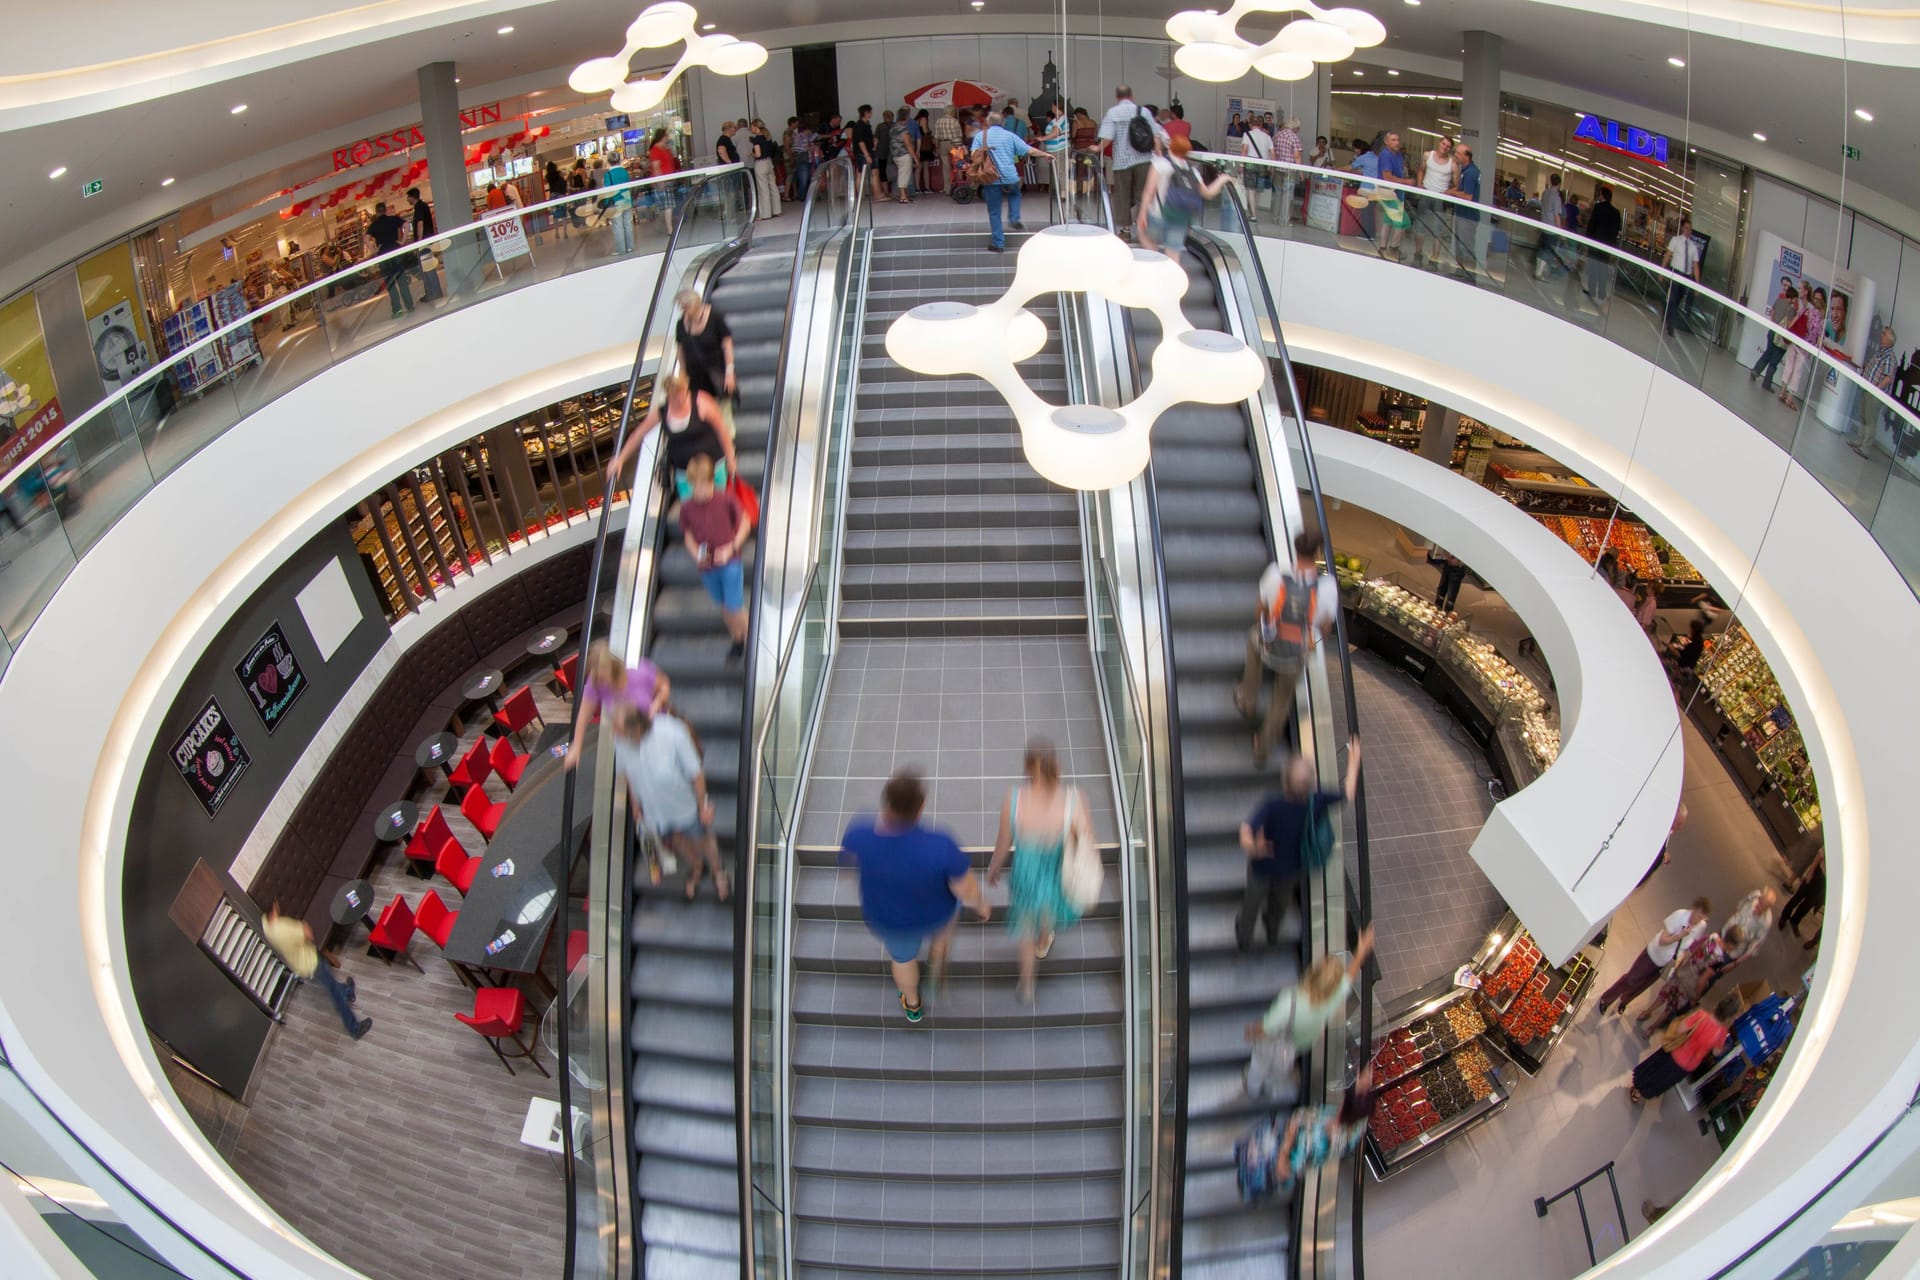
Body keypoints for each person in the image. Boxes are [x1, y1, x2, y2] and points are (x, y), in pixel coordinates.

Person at [840, 770, 990, 1022]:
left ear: (886, 803)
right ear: (920, 809)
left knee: (903, 959)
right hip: (936, 915)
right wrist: (981, 904)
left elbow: (848, 870)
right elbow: (964, 888)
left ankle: (912, 1003)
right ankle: (937, 959)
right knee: (946, 925)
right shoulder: (940, 844)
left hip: (889, 919)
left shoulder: (859, 834)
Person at [986, 739, 1093, 1003]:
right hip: (1056, 871)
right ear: (1057, 766)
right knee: (1047, 912)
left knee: (1025, 929)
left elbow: (1004, 840)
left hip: (1026, 874)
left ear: (1027, 768)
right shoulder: (1074, 799)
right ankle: (1044, 941)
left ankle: (1026, 984)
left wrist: (995, 866)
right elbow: (1085, 838)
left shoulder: (1014, 798)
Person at [1236, 738, 1361, 950]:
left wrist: (1253, 847)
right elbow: (1348, 794)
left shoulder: (1272, 804)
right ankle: (1272, 928)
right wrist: (1354, 762)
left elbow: (1246, 829)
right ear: (1311, 783)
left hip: (1263, 866)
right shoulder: (1318, 800)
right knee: (1281, 900)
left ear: (1285, 781)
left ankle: (1244, 937)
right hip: (1293, 867)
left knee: (1252, 902)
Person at [1235, 530, 1339, 765]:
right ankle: (1262, 748)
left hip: (1267, 646)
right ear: (1318, 553)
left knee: (1253, 639)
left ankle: (1248, 699)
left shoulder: (1275, 575)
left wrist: (1269, 628)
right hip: (1294, 656)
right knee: (1281, 700)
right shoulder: (1328, 588)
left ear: (1295, 549)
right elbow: (1325, 628)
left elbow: (1258, 612)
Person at [612, 704, 727, 901]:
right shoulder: (621, 741)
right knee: (677, 840)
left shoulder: (672, 732)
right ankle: (697, 867)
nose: (616, 735)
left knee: (703, 839)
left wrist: (703, 805)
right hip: (656, 813)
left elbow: (696, 773)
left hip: (685, 807)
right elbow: (628, 774)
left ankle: (718, 871)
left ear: (636, 730)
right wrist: (635, 803)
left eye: (620, 731)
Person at [1245, 925, 1374, 1097]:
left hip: (1273, 1045)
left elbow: (1267, 1028)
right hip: (1295, 1046)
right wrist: (1362, 950)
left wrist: (1251, 1030)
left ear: (1313, 973)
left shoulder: (1289, 1001)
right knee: (1278, 1068)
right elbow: (1350, 976)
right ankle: (1270, 1083)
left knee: (1258, 1067)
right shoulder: (1334, 997)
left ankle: (1253, 1089)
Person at [1237, 1066, 1376, 1202]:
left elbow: (1284, 1169)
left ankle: (1248, 1178)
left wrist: (1287, 1141)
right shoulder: (1354, 1125)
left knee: (1258, 1155)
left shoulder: (1323, 1138)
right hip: (1281, 1143)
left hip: (1277, 1158)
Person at [607, 372, 738, 503]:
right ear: (669, 395)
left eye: (683, 394)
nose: (681, 399)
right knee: (693, 511)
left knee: (719, 505)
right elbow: (639, 433)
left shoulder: (701, 402)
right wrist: (621, 458)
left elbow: (721, 430)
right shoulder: (663, 411)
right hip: (686, 473)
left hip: (712, 467)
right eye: (676, 396)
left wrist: (731, 458)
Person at [677, 455, 751, 659]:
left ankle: (754, 642)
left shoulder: (725, 499)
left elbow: (744, 523)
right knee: (724, 607)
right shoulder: (687, 508)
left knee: (734, 606)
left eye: (705, 484)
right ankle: (737, 638)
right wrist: (696, 555)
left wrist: (731, 547)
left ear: (711, 481)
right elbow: (689, 536)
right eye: (696, 485)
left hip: (730, 562)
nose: (701, 490)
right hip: (708, 567)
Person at [264, 905, 370, 1039]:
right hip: (312, 963)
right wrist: (303, 926)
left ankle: (347, 991)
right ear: (273, 911)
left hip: (300, 966)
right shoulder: (283, 928)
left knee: (331, 983)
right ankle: (354, 1028)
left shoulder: (267, 928)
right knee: (335, 994)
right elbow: (308, 934)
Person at [564, 640, 671, 770]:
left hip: (655, 730)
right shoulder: (596, 682)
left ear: (614, 667)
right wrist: (576, 747)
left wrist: (657, 703)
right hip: (629, 739)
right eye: (598, 677)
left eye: (604, 677)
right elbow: (584, 713)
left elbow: (664, 685)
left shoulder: (639, 671)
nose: (602, 682)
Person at [1596, 897, 1710, 1016]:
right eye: (1698, 915)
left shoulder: (1701, 926)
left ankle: (1625, 1000)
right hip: (1654, 954)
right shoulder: (1679, 916)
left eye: (1702, 918)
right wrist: (1680, 936)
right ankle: (1607, 998)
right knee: (1631, 979)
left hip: (1666, 962)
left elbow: (1689, 946)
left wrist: (1680, 959)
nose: (1699, 920)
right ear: (1693, 909)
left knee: (1643, 985)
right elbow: (1662, 941)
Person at [969, 108, 1048, 253]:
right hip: (1010, 176)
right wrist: (1045, 154)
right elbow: (1028, 149)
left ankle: (998, 244)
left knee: (994, 212)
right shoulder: (1010, 136)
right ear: (1003, 123)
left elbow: (974, 154)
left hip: (991, 177)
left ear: (988, 122)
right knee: (1015, 194)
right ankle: (1014, 217)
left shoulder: (981, 136)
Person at [1097, 83, 1168, 242]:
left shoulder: (1113, 112)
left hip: (1122, 162)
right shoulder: (1143, 111)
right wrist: (1159, 154)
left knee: (1122, 196)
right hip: (1143, 159)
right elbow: (1156, 135)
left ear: (1117, 97)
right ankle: (1146, 228)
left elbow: (1107, 139)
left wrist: (1097, 148)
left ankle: (1125, 230)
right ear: (1132, 96)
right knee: (1143, 194)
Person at [1139, 134, 1228, 259]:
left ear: (1171, 147)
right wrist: (1222, 179)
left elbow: (1149, 191)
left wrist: (1142, 213)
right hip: (1181, 217)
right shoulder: (1192, 171)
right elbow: (1208, 194)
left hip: (1158, 214)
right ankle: (1173, 274)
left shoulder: (1159, 164)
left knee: (1143, 235)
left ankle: (1157, 261)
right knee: (1173, 252)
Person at [1635, 928, 1737, 1036]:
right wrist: (1696, 997)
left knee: (1663, 995)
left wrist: (1681, 965)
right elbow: (1703, 979)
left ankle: (1646, 1012)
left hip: (1685, 970)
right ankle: (1651, 1029)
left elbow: (1694, 950)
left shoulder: (1713, 937)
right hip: (1691, 983)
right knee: (1670, 1008)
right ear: (1732, 945)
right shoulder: (1719, 959)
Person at [1629, 1007, 1728, 1104]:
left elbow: (1680, 1028)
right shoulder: (1722, 1032)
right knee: (1664, 1079)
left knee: (1656, 1069)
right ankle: (1643, 1092)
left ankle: (1638, 1087)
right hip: (1689, 1064)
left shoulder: (1701, 1015)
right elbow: (1716, 1052)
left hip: (1677, 1050)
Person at [674, 288, 735, 423]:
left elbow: (727, 344)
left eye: (685, 308)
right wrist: (682, 377)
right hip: (695, 380)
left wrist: (730, 372)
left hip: (716, 377)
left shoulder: (714, 318)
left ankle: (726, 441)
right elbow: (680, 351)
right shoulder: (681, 324)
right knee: (703, 416)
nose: (683, 311)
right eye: (681, 308)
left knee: (722, 415)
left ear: (694, 305)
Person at [364, 200, 419, 318]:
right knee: (402, 280)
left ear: (376, 212)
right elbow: (406, 225)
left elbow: (366, 238)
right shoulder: (393, 219)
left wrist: (374, 251)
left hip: (384, 254)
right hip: (396, 251)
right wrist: (402, 241)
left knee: (391, 284)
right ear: (385, 210)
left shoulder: (374, 225)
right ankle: (409, 305)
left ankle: (397, 309)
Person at [1410, 136, 1457, 270]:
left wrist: (1446, 193)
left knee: (1438, 230)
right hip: (1426, 194)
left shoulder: (1452, 164)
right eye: (1443, 143)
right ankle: (1418, 255)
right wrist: (1419, 184)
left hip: (1440, 199)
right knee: (1420, 226)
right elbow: (1421, 170)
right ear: (1439, 143)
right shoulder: (1427, 155)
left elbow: (1457, 185)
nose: (1444, 147)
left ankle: (1434, 259)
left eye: (1448, 146)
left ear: (1450, 148)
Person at [1853, 325, 1899, 457]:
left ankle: (1865, 448)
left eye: (1884, 334)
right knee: (1864, 416)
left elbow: (1888, 378)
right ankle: (1859, 441)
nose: (1881, 335)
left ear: (1890, 340)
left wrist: (1876, 390)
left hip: (1875, 393)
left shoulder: (1890, 357)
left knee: (1870, 420)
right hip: (1867, 389)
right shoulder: (1881, 352)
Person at [1780, 286, 1826, 411]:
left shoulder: (1806, 310)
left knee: (1788, 365)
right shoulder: (1820, 320)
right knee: (1797, 372)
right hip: (1804, 348)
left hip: (1794, 341)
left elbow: (1794, 322)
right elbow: (1819, 338)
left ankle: (1782, 391)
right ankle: (1789, 397)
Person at [1752, 280, 1798, 392]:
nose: (1796, 301)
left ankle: (1756, 371)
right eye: (1795, 298)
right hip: (1781, 337)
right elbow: (1789, 325)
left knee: (1768, 352)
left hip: (1772, 331)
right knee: (1775, 360)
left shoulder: (1778, 300)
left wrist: (1774, 322)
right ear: (1792, 298)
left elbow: (1772, 312)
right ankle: (1766, 383)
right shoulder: (1791, 310)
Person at [1447, 144, 1483, 280]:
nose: (1455, 155)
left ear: (1466, 156)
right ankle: (1461, 272)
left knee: (1465, 246)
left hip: (1467, 217)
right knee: (1460, 245)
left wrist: (1452, 193)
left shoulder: (1470, 173)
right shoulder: (1467, 170)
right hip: (1463, 215)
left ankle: (1468, 276)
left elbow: (1468, 196)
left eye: (1458, 153)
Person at [1583, 185, 1623, 305]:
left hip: (1596, 241)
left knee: (1594, 266)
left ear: (1603, 196)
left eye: (1600, 194)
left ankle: (1591, 289)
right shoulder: (1616, 213)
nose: (1599, 197)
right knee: (1603, 268)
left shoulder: (1598, 207)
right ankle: (1601, 292)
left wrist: (1588, 237)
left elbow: (1592, 224)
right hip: (1607, 244)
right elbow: (1617, 230)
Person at [1719, 887, 1778, 968]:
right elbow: (1740, 905)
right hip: (1724, 934)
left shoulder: (1766, 922)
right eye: (1759, 903)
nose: (1758, 908)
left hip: (1733, 950)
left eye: (1763, 908)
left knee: (1715, 971)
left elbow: (1755, 946)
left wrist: (1735, 964)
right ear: (1760, 897)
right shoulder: (1754, 895)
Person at [1662, 217, 1701, 337]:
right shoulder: (1676, 240)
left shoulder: (1693, 246)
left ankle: (1667, 313)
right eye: (1686, 228)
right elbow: (1668, 255)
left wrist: (1697, 285)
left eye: (1690, 229)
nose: (1688, 231)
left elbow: (1695, 266)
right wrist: (1662, 270)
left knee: (1677, 301)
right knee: (1673, 299)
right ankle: (1671, 325)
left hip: (1685, 276)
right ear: (1682, 228)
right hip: (1675, 273)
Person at [1782, 847, 1825, 939]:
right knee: (1799, 896)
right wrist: (1811, 872)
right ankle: (1784, 916)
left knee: (1807, 905)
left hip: (1825, 885)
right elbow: (1820, 854)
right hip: (1818, 873)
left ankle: (1795, 921)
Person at [1271, 115, 1304, 224]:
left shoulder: (1277, 135)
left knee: (1278, 194)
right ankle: (1284, 220)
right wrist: (1301, 172)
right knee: (1287, 195)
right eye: (1298, 128)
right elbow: (1297, 156)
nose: (1298, 131)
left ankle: (1275, 218)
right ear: (1295, 127)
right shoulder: (1294, 137)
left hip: (1277, 169)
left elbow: (1273, 153)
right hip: (1290, 170)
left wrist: (1272, 167)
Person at [1240, 114, 1275, 217]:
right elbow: (1272, 153)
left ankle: (1253, 215)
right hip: (1263, 165)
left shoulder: (1247, 135)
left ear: (1250, 124)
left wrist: (1241, 164)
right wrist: (1272, 167)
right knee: (1258, 190)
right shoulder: (1267, 137)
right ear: (1261, 124)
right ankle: (1254, 211)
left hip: (1250, 163)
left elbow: (1244, 150)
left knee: (1251, 190)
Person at [746, 119, 781, 218]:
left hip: (761, 164)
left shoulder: (756, 139)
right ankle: (777, 210)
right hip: (769, 163)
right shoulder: (767, 137)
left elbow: (758, 154)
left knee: (763, 189)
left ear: (755, 127)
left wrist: (751, 154)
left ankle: (765, 214)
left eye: (751, 127)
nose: (750, 129)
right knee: (773, 187)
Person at [602, 152, 635, 253]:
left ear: (608, 161)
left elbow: (607, 190)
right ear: (619, 160)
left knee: (617, 226)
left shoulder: (608, 174)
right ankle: (630, 247)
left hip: (615, 202)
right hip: (626, 200)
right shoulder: (624, 172)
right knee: (627, 224)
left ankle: (621, 249)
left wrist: (606, 204)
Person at [888, 107, 916, 203]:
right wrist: (915, 158)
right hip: (904, 155)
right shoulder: (903, 130)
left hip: (895, 155)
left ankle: (904, 195)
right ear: (906, 117)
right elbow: (908, 145)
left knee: (901, 174)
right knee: (904, 175)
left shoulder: (893, 128)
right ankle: (903, 196)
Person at [1069, 107, 1098, 196]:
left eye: (1076, 115)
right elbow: (1095, 136)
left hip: (1080, 148)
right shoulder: (1093, 122)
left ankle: (1080, 190)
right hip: (1092, 148)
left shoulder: (1076, 122)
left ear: (1079, 114)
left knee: (1080, 169)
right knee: (1093, 168)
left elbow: (1073, 135)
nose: (1076, 117)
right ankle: (1096, 190)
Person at [932, 108, 962, 186]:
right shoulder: (954, 121)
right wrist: (961, 146)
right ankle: (960, 183)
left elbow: (936, 136)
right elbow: (959, 135)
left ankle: (947, 188)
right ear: (952, 111)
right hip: (954, 144)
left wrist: (937, 146)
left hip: (942, 144)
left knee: (945, 166)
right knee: (958, 163)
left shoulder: (938, 121)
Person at [1433, 546, 1468, 612]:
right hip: (1448, 564)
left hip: (1457, 569)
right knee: (1441, 589)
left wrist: (1458, 560)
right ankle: (1436, 611)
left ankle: (1447, 616)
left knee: (1451, 595)